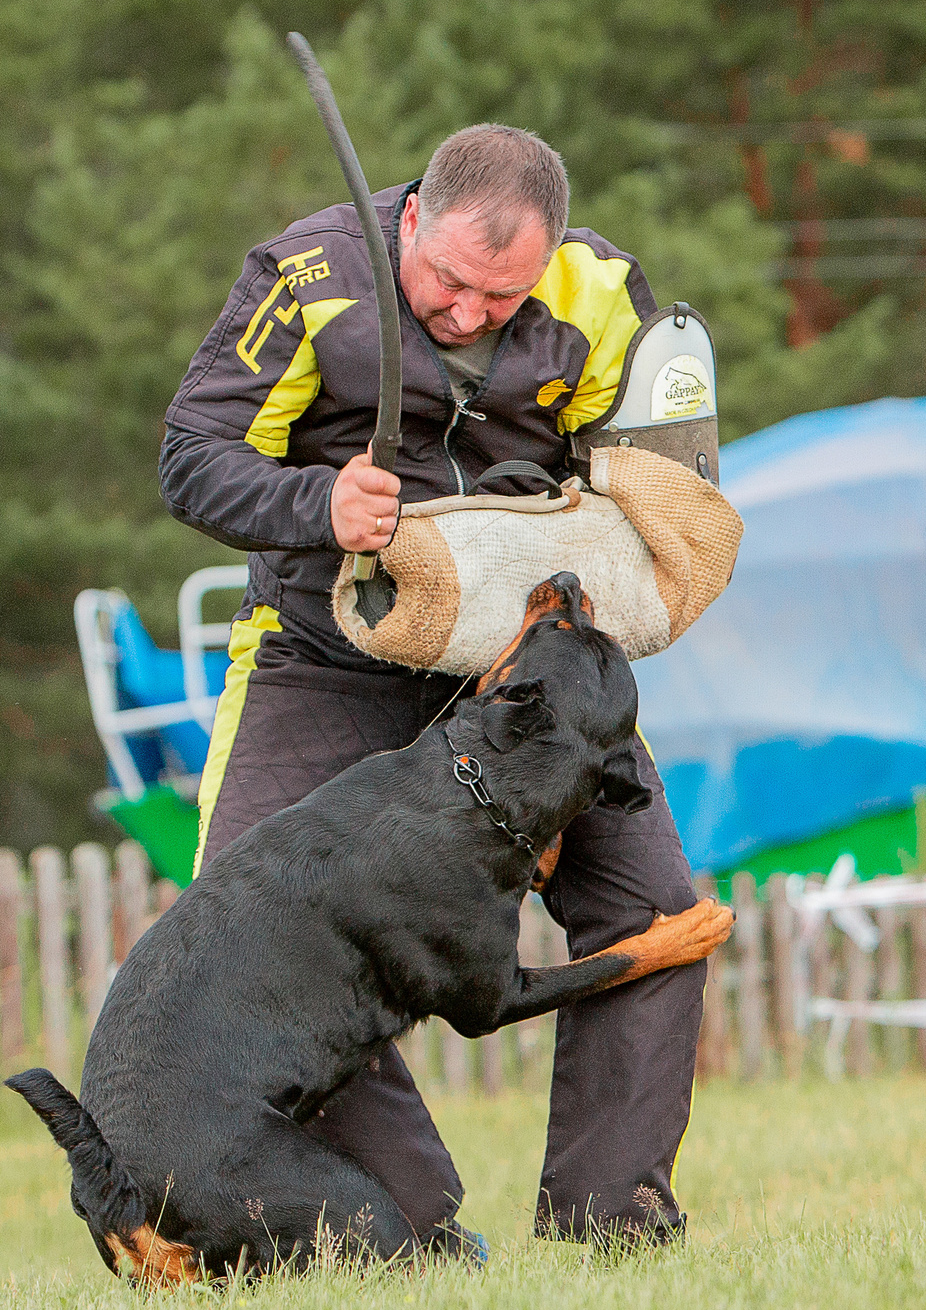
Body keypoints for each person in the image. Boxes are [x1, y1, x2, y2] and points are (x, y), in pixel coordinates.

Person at [159, 123, 716, 1247]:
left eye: (502, 300)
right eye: (450, 284)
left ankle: (612, 1213)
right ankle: (409, 1220)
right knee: (246, 920)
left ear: (550, 260)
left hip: (519, 664)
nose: (468, 314)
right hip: (329, 645)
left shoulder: (600, 293)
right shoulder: (308, 280)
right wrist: (313, 506)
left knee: (655, 906)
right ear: (410, 217)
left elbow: (658, 478)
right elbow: (191, 454)